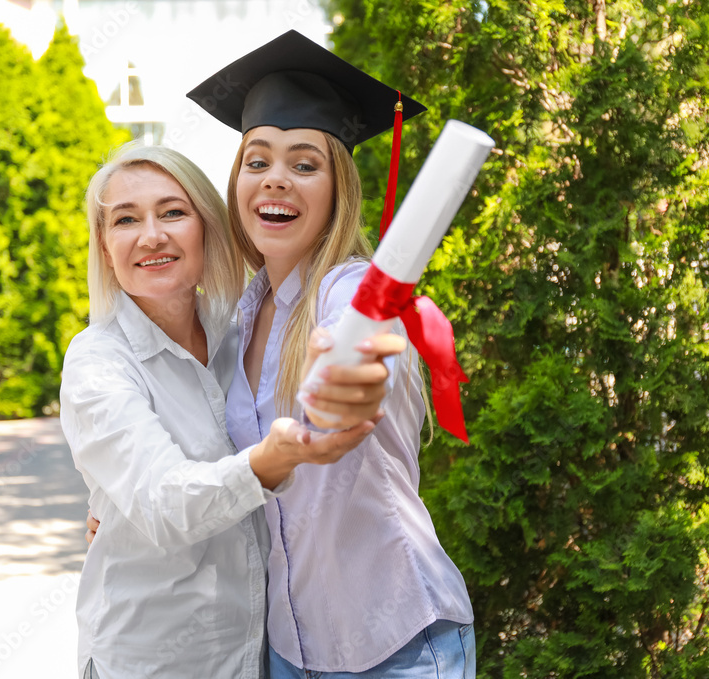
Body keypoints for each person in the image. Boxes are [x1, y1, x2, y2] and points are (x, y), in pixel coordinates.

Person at [185, 30, 477, 678]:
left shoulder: (350, 292)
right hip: (290, 646)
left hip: (397, 643)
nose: (276, 180)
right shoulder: (237, 319)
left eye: (304, 163)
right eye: (257, 161)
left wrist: (353, 376)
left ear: (337, 185)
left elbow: (368, 344)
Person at [59, 143, 404, 679]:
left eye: (173, 212)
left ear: (206, 228)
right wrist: (266, 463)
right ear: (105, 249)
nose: (152, 235)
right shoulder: (97, 362)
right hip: (155, 660)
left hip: (259, 657)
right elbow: (162, 500)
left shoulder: (241, 332)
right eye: (125, 220)